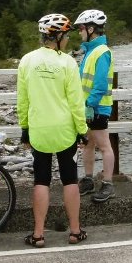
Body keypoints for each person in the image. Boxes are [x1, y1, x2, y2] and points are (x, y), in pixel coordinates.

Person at [17, 13, 88, 247]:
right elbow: (76, 102)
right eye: (65, 35)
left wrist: (25, 128)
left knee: (41, 180)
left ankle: (38, 234)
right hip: (64, 129)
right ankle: (75, 231)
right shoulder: (68, 62)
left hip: (39, 130)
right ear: (56, 36)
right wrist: (82, 130)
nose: (67, 39)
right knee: (70, 180)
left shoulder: (26, 61)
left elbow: (23, 100)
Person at [74, 8, 116, 203]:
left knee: (104, 146)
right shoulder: (90, 51)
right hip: (87, 107)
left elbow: (99, 84)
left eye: (81, 28)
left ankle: (108, 183)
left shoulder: (102, 52)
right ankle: (89, 180)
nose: (79, 32)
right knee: (87, 145)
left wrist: (89, 105)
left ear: (91, 29)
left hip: (97, 108)